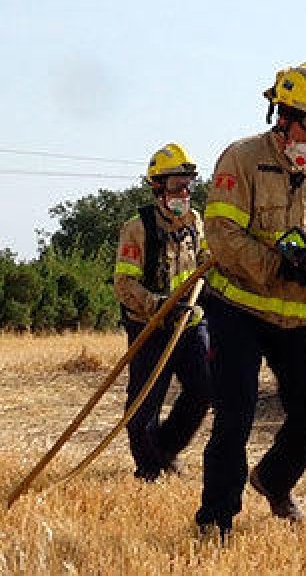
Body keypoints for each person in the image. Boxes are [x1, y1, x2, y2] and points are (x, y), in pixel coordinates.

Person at [195, 62, 306, 538]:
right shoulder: (241, 160)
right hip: (239, 308)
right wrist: (279, 264)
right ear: (282, 115)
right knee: (234, 419)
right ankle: (216, 521)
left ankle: (273, 482)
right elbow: (222, 233)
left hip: (298, 316)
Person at [113, 143, 211, 482]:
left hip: (190, 324)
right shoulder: (136, 228)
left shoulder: (196, 220)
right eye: (175, 185)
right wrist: (158, 305)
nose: (183, 191)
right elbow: (124, 283)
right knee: (145, 400)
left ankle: (166, 448)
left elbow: (204, 261)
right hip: (150, 325)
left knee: (204, 389)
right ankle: (149, 467)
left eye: (188, 184)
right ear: (157, 186)